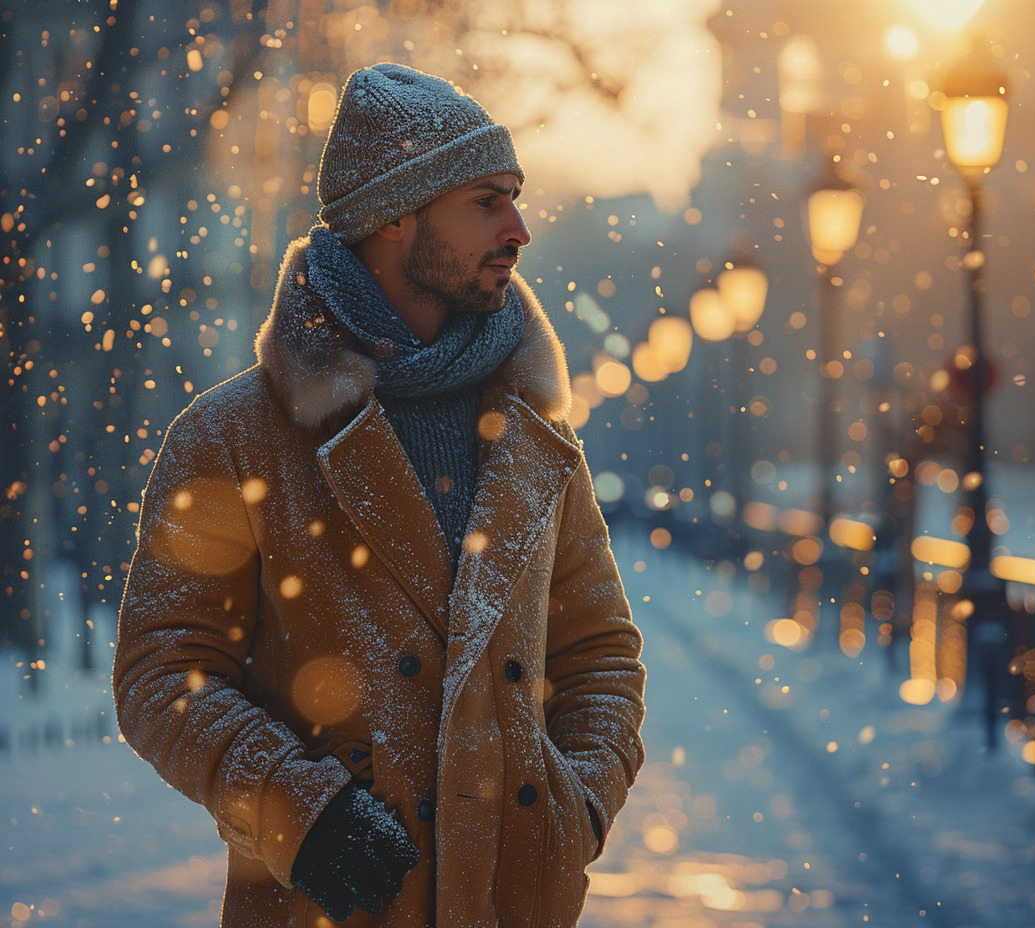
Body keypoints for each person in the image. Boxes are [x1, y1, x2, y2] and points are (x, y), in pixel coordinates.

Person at [113, 63, 646, 928]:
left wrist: (571, 811)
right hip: (327, 907)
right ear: (394, 214)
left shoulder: (535, 435)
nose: (519, 229)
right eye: (487, 201)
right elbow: (162, 671)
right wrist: (301, 813)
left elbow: (600, 656)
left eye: (516, 197)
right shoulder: (234, 437)